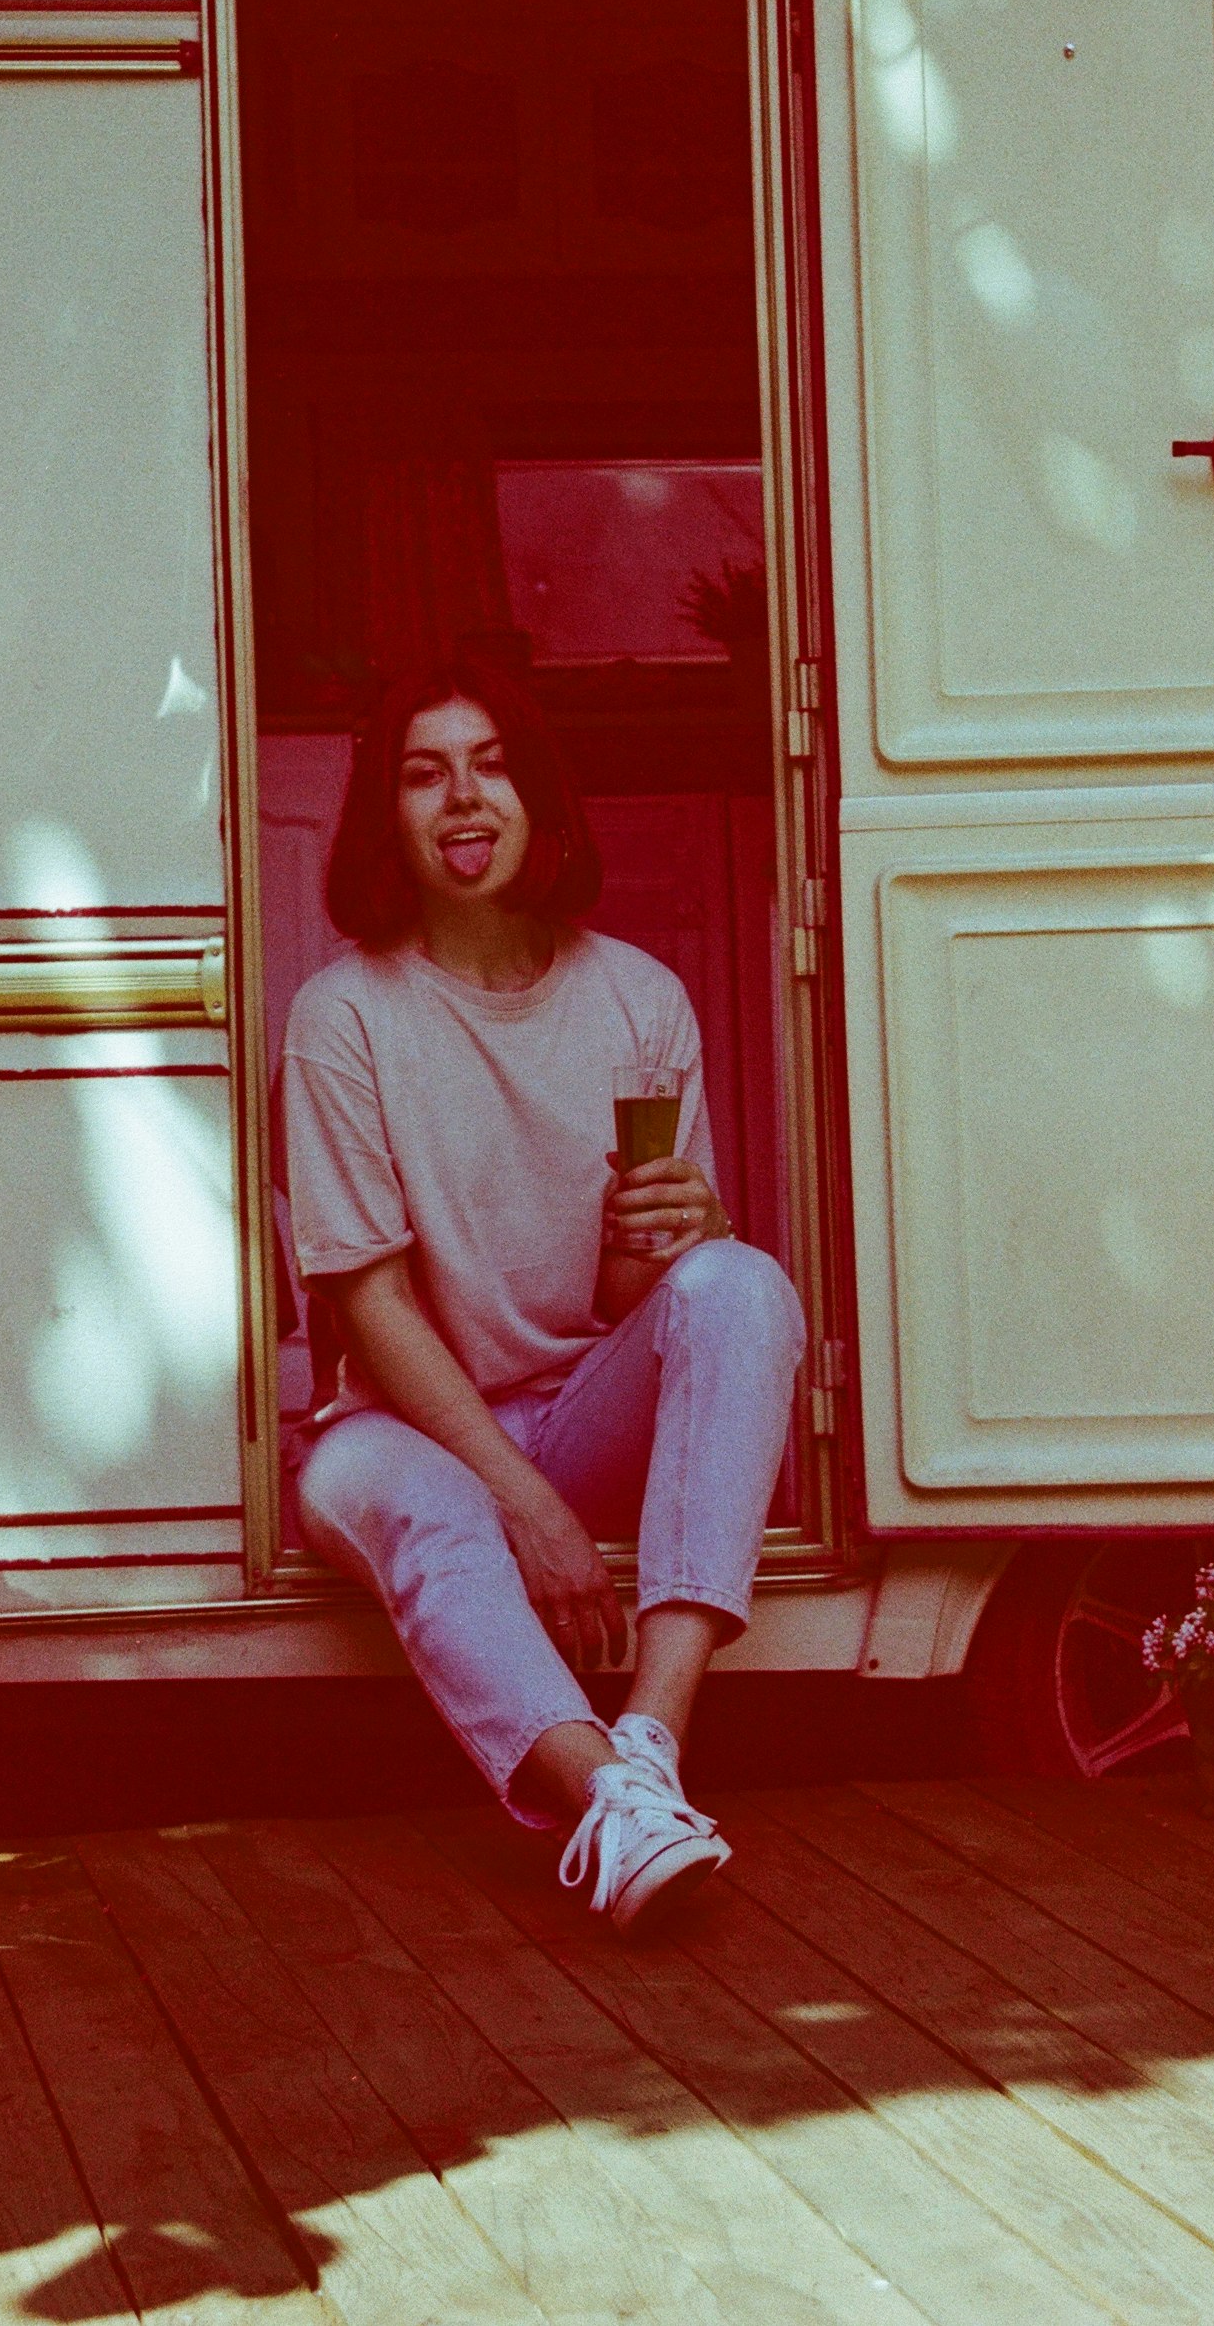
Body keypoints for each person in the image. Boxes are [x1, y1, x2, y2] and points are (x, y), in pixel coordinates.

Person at [285, 645, 807, 1934]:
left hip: (582, 1412)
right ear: (386, 816)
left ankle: (652, 1746)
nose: (464, 800)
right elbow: (372, 1309)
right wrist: (529, 1509)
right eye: (425, 775)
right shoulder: (344, 1014)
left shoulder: (639, 997)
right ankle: (610, 1812)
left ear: (542, 798)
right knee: (416, 1503)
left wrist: (687, 1227)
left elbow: (636, 1290)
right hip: (401, 1430)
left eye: (493, 766)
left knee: (741, 1286)